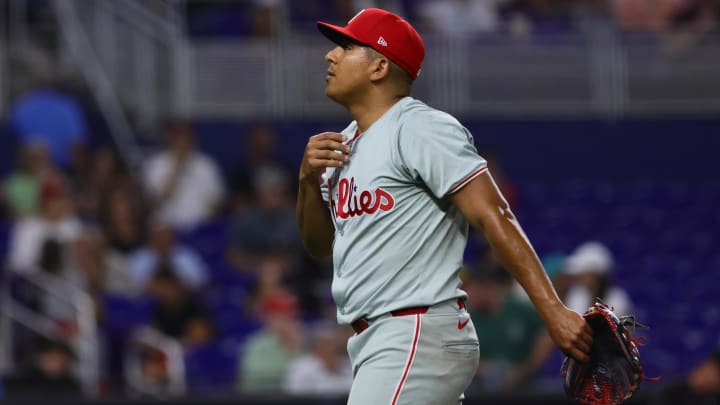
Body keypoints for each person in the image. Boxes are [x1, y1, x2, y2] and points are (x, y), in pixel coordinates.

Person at [296, 8, 592, 404]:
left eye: (347, 47)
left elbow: (494, 214)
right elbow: (319, 247)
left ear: (379, 66)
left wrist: (553, 310)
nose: (330, 56)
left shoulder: (418, 127)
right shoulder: (343, 144)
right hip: (379, 341)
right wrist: (307, 181)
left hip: (413, 330)